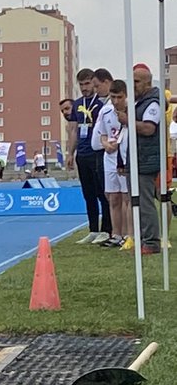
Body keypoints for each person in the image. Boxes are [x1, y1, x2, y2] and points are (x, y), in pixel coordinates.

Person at [68, 68, 111, 244]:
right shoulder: (77, 104)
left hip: (97, 153)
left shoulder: (100, 104)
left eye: (87, 83)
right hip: (82, 154)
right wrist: (70, 153)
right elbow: (73, 130)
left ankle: (106, 229)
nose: (84, 87)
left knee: (102, 192)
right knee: (88, 194)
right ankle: (93, 229)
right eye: (81, 84)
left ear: (93, 83)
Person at [130, 63, 162, 254]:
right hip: (137, 158)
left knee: (145, 202)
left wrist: (128, 120)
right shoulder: (139, 101)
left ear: (147, 83)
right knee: (137, 201)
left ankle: (151, 242)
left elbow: (149, 129)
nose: (133, 85)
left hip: (146, 159)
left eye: (136, 81)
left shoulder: (153, 102)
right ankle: (143, 239)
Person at [95, 78, 130, 249]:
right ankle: (116, 234)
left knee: (126, 197)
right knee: (113, 197)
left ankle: (128, 235)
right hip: (109, 158)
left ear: (126, 96)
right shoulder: (106, 112)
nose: (116, 101)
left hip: (125, 157)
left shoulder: (131, 112)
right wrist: (105, 144)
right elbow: (102, 134)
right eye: (113, 97)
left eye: (119, 97)